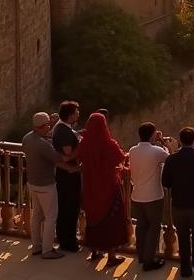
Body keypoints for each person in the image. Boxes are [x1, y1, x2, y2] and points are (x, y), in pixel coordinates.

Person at [78, 111, 129, 268]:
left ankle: (94, 251)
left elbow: (78, 158)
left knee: (93, 218)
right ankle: (111, 257)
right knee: (111, 221)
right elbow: (121, 158)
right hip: (108, 187)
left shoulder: (84, 143)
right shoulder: (109, 144)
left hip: (90, 187)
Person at [22, 111, 76, 259]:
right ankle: (47, 250)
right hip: (46, 184)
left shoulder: (27, 138)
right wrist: (75, 166)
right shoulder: (42, 145)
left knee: (37, 216)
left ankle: (36, 246)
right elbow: (60, 159)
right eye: (48, 125)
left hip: (32, 182)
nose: (50, 127)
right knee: (51, 217)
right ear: (43, 126)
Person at [162, 126, 194, 277]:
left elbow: (165, 182)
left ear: (180, 141)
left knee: (182, 238)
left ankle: (185, 268)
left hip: (178, 204)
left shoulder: (171, 159)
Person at [129, 121, 171, 270]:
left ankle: (141, 255)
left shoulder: (133, 150)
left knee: (141, 226)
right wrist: (162, 141)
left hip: (137, 195)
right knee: (154, 227)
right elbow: (170, 158)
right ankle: (149, 260)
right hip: (153, 196)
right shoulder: (156, 151)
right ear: (152, 135)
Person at [52, 100, 82, 254]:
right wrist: (81, 146)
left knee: (65, 208)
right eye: (76, 112)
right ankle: (69, 242)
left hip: (64, 176)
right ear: (70, 115)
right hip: (68, 176)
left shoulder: (61, 128)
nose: (78, 114)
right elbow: (68, 154)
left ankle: (65, 239)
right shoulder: (63, 132)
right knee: (69, 208)